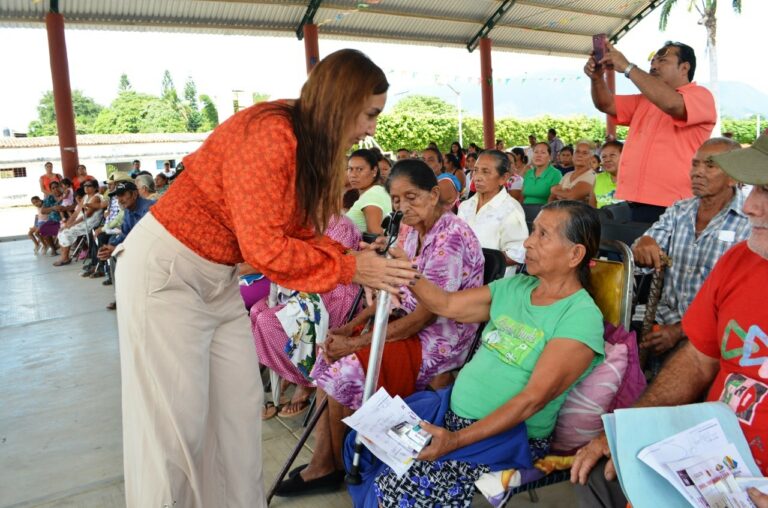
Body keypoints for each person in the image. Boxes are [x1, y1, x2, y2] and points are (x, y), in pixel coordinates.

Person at [112, 49, 416, 508]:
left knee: (237, 418)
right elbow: (266, 248)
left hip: (217, 283)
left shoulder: (308, 145)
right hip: (168, 273)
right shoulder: (271, 134)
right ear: (343, 101)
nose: (372, 128)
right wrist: (353, 267)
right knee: (174, 431)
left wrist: (353, 254)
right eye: (371, 113)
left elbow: (296, 232)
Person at [571, 134, 768, 508]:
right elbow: (698, 357)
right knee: (594, 478)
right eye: (756, 188)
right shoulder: (741, 260)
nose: (752, 207)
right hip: (712, 458)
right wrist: (631, 430)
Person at [372, 200, 605, 507]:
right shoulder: (516, 287)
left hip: (506, 439)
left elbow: (530, 401)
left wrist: (454, 440)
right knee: (370, 446)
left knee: (402, 490)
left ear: (575, 254)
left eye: (543, 235)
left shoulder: (580, 317)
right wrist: (404, 266)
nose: (528, 242)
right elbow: (446, 305)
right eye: (533, 231)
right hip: (452, 417)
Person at [276, 159, 484, 497]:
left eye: (412, 197)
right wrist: (350, 328)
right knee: (329, 357)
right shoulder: (407, 232)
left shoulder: (452, 236)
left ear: (434, 195)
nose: (403, 207)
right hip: (403, 322)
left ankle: (335, 464)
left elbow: (427, 316)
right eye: (397, 200)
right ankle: (329, 461)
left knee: (344, 370)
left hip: (440, 338)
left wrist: (359, 344)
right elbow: (393, 293)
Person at [631, 137, 751, 360]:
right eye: (695, 164)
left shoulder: (749, 222)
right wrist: (643, 244)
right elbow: (646, 248)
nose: (697, 172)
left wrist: (680, 331)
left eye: (710, 165)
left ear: (733, 177)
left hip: (715, 332)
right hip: (663, 319)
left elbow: (742, 300)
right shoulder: (679, 210)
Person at [586, 41, 716, 223]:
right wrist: (597, 78)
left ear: (684, 67)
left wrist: (628, 68)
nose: (654, 65)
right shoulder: (645, 100)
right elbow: (606, 104)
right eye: (652, 61)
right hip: (633, 201)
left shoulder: (701, 95)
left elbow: (672, 104)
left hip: (674, 204)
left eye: (662, 60)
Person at [251, 214, 361, 420]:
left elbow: (335, 266)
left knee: (268, 321)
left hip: (334, 292)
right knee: (257, 311)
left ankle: (307, 380)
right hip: (304, 288)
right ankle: (291, 369)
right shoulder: (299, 221)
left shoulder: (341, 225)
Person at [458, 150, 528, 276]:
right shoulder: (465, 206)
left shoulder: (511, 210)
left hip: (494, 283)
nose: (477, 177)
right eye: (476, 170)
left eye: (485, 171)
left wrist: (475, 262)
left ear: (503, 178)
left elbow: (517, 254)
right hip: (461, 275)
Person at [98, 181, 155, 310]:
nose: (120, 200)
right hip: (140, 248)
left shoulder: (148, 209)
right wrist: (110, 246)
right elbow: (125, 234)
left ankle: (134, 297)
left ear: (134, 194)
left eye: (123, 195)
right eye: (117, 196)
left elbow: (146, 240)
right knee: (112, 254)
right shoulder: (129, 210)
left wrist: (119, 248)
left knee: (119, 254)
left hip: (153, 250)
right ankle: (121, 296)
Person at [53, 180, 102, 266]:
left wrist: (72, 224)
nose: (86, 187)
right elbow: (76, 213)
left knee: (66, 232)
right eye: (85, 186)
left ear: (95, 188)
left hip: (89, 222)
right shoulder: (85, 197)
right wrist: (67, 223)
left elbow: (87, 215)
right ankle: (64, 256)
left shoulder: (96, 197)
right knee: (61, 230)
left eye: (89, 186)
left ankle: (65, 258)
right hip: (81, 221)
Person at [345, 148, 391, 235]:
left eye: (359, 169)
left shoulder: (372, 195)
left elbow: (376, 237)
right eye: (350, 169)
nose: (353, 175)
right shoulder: (376, 191)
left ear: (374, 171)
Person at [590, 141, 623, 208]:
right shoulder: (598, 178)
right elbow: (592, 206)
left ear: (624, 156)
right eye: (604, 157)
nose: (607, 160)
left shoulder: (635, 180)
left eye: (612, 155)